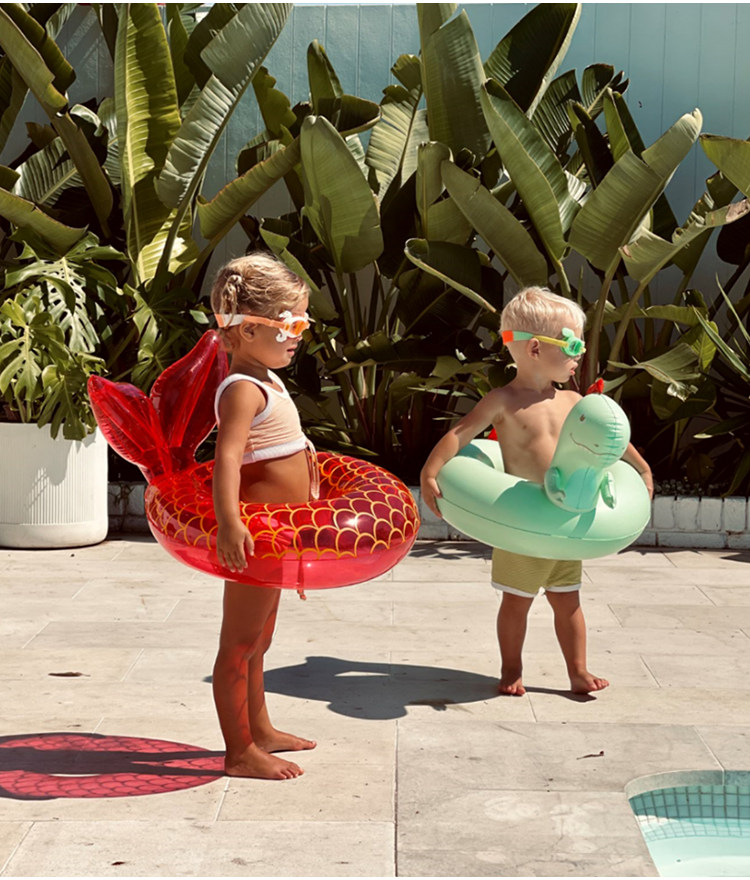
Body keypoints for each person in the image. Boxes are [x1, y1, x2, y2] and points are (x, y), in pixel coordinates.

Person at [420, 287, 653, 697]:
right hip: (523, 523)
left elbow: (610, 440)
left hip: (564, 524)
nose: (581, 353)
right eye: (573, 344)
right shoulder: (503, 401)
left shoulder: (574, 401)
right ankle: (511, 668)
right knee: (517, 602)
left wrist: (642, 468)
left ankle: (578, 671)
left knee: (569, 602)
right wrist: (430, 471)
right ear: (533, 349)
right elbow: (461, 433)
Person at [210, 252, 318, 779]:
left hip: (279, 535)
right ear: (250, 329)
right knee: (238, 644)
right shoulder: (242, 389)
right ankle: (238, 752)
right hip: (256, 535)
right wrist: (230, 523)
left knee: (261, 640)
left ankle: (261, 729)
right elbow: (227, 458)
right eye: (291, 324)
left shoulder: (267, 378)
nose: (300, 334)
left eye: (303, 323)